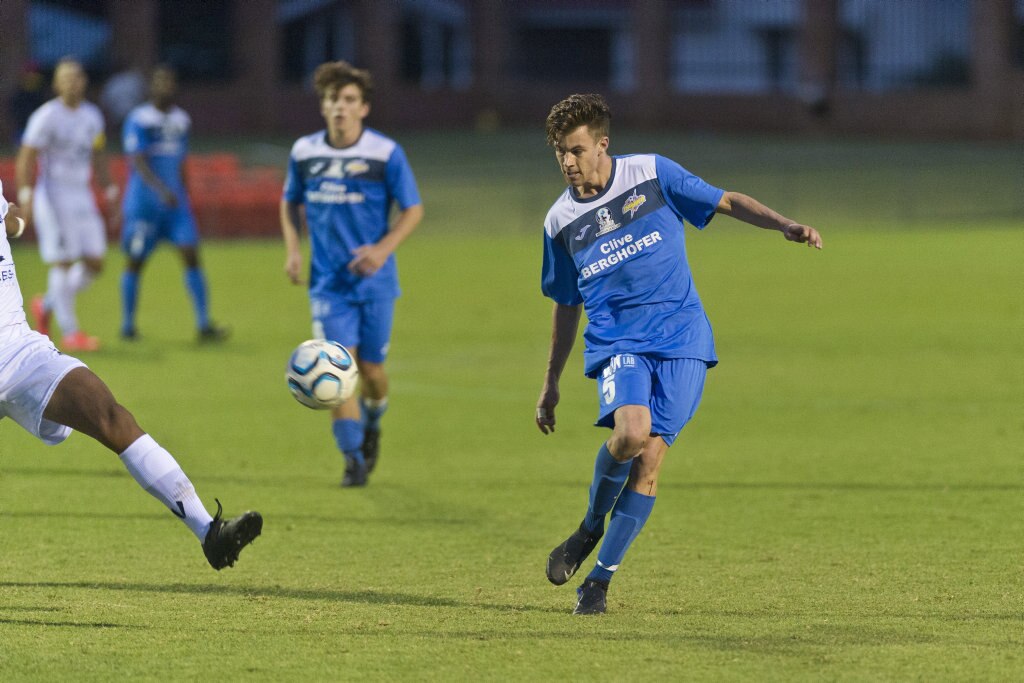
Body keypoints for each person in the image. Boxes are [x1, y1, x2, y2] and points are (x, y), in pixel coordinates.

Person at [535, 94, 823, 615]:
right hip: (618, 342)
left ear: (603, 143)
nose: (568, 162)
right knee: (629, 435)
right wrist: (551, 381)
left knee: (650, 461)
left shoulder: (651, 173)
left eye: (576, 150)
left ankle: (598, 582)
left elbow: (726, 201)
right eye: (560, 152)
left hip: (683, 339)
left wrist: (784, 224)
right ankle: (588, 527)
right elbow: (564, 303)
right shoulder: (559, 222)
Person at [0, 180, 262, 570]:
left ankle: (210, 533)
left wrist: (11, 221)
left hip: (20, 349)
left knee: (109, 414)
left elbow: (9, 217)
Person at [280, 61, 423, 488]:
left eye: (348, 101)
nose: (339, 108)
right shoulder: (305, 152)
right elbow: (289, 202)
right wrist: (292, 250)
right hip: (328, 285)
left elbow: (413, 209)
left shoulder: (384, 153)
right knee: (338, 369)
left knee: (373, 372)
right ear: (323, 107)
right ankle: (352, 458)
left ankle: (374, 422)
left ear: (364, 108)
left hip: (376, 283)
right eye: (332, 100)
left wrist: (381, 250)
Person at [15, 58, 119, 352]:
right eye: (67, 78)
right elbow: (27, 157)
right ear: (57, 84)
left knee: (95, 262)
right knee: (64, 260)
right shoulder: (46, 116)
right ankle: (71, 332)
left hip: (81, 194)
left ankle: (47, 302)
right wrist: (27, 197)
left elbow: (98, 155)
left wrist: (110, 192)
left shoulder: (92, 116)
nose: (74, 82)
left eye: (78, 77)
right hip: (55, 195)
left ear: (84, 81)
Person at [119, 65, 228, 342]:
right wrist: (160, 189)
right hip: (145, 204)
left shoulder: (181, 119)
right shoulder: (139, 118)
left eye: (169, 81)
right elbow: (138, 161)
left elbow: (181, 159)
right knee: (135, 262)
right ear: (151, 87)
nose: (165, 86)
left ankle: (204, 325)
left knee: (191, 255)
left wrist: (184, 193)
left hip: (176, 205)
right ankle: (128, 325)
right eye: (160, 81)